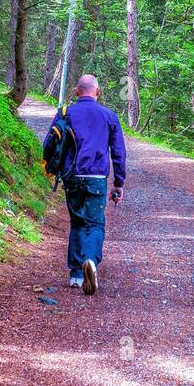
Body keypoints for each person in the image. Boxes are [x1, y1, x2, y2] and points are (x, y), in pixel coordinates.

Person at [44, 74, 126, 295]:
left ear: (77, 91)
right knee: (95, 224)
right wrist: (118, 183)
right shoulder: (109, 115)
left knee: (77, 222)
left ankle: (76, 275)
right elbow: (118, 152)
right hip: (97, 179)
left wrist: (54, 170)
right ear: (97, 92)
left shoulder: (66, 113)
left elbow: (49, 143)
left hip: (71, 176)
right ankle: (90, 259)